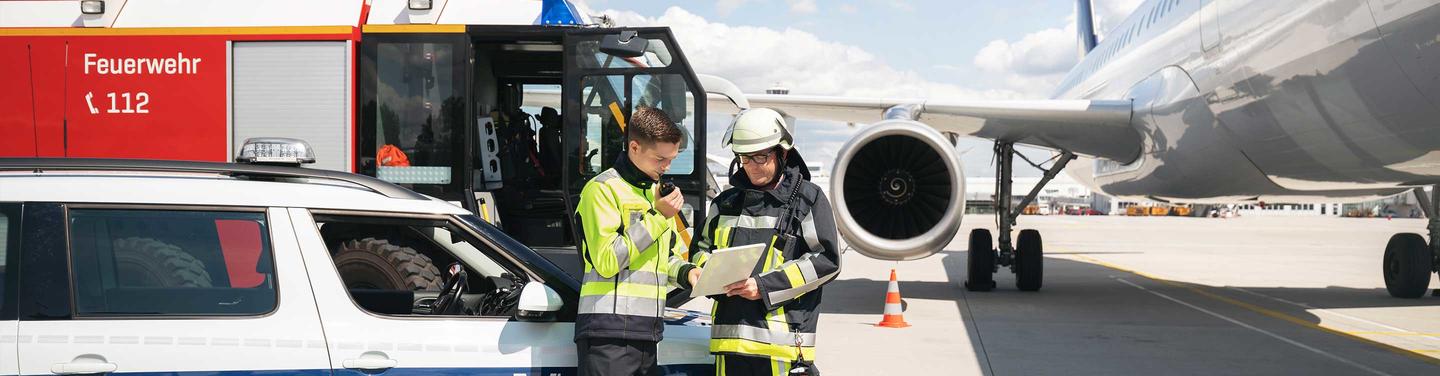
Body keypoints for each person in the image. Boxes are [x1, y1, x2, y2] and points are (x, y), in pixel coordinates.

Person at [691, 108, 841, 375]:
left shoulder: (807, 199)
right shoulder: (725, 204)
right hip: (729, 344)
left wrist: (764, 286)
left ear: (782, 153)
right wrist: (712, 274)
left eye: (761, 156)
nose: (752, 166)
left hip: (782, 349)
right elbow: (699, 251)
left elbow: (827, 261)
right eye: (745, 158)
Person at [573, 106, 702, 376]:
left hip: (647, 332)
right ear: (634, 147)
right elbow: (607, 261)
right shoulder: (602, 189)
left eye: (671, 159)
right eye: (660, 159)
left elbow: (662, 260)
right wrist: (658, 217)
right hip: (607, 333)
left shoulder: (656, 194)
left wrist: (688, 273)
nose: (666, 167)